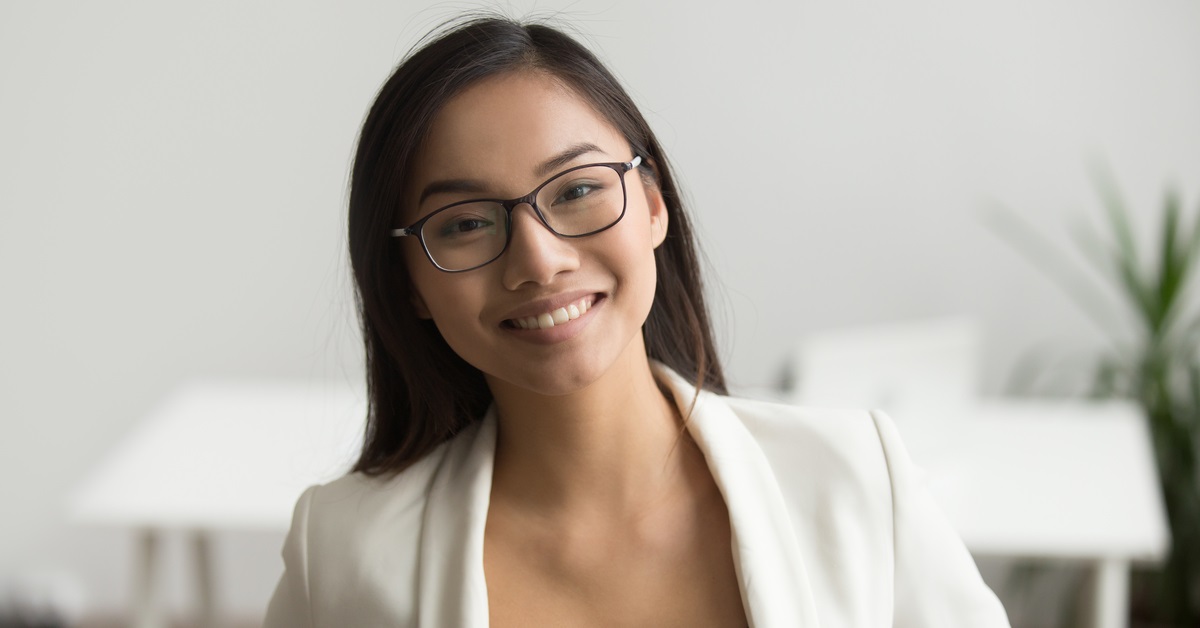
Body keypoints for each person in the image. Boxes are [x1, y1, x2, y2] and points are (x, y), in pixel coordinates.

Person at [265, 14, 1010, 628]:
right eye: (464, 225)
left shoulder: (852, 480)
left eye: (578, 188)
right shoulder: (343, 549)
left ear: (653, 205)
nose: (539, 259)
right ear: (410, 286)